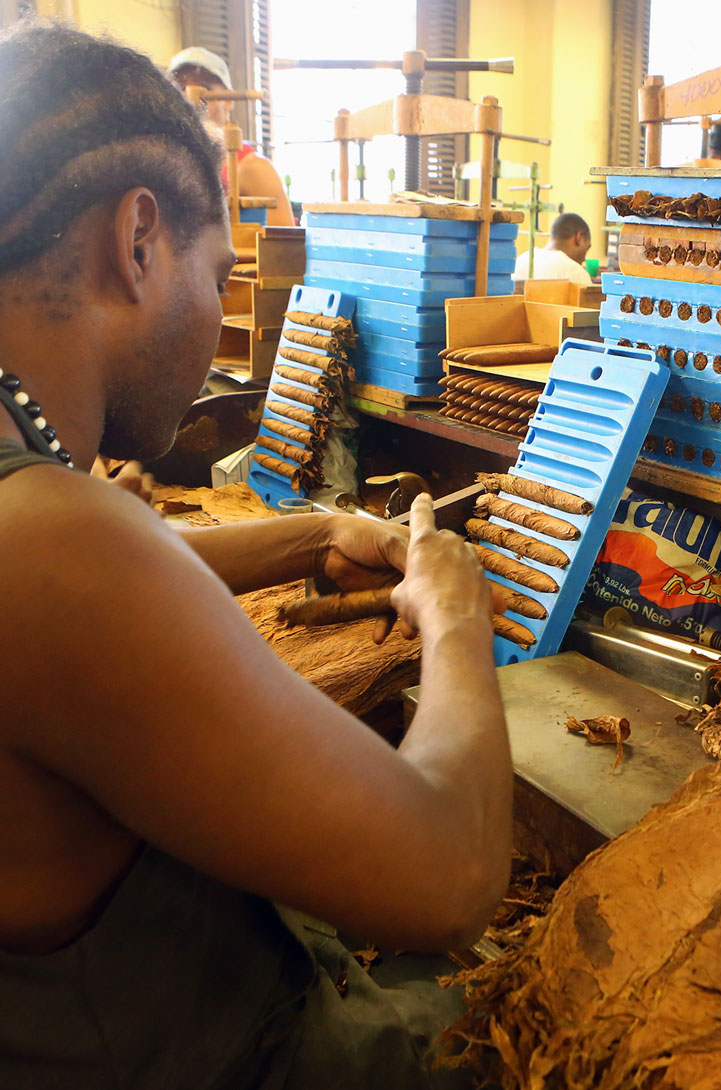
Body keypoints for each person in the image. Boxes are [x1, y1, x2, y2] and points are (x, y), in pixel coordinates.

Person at [0, 21, 512, 1090]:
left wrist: (316, 533)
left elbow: (99, 587)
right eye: (220, 272)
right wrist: (454, 615)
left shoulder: (40, 508)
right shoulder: (52, 548)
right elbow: (453, 872)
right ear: (138, 239)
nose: (217, 311)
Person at [169, 45, 295, 227]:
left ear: (228, 100)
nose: (191, 98)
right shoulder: (167, 163)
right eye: (180, 89)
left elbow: (285, 249)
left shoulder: (253, 169)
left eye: (205, 88)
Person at [513, 211, 593, 286]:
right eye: (587, 248)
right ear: (579, 237)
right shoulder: (576, 273)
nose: (584, 259)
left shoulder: (521, 260)